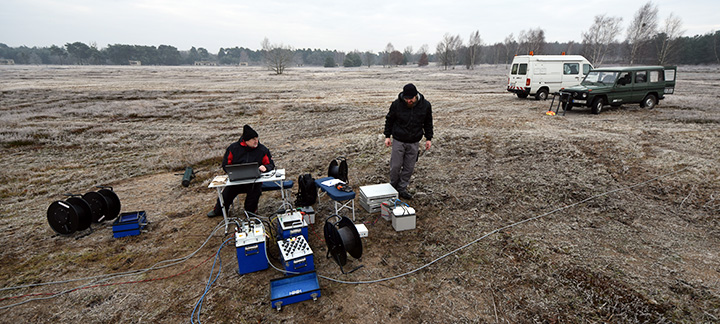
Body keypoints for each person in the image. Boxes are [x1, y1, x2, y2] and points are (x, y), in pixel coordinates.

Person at [207, 124, 275, 217]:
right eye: (253, 139)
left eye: (257, 138)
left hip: (254, 180)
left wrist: (266, 167)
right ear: (246, 140)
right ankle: (219, 211)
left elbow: (270, 164)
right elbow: (226, 164)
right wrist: (232, 172)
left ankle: (250, 213)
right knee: (227, 193)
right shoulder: (233, 148)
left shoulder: (262, 150)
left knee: (255, 192)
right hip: (237, 179)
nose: (256, 141)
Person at [383, 83, 433, 200]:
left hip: (414, 141)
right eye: (406, 99)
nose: (408, 101)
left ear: (416, 96)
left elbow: (428, 122)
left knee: (409, 168)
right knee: (395, 166)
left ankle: (402, 189)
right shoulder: (397, 104)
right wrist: (387, 136)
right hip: (399, 140)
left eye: (410, 99)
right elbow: (389, 119)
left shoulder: (425, 105)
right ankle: (392, 188)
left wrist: (429, 138)